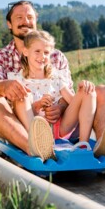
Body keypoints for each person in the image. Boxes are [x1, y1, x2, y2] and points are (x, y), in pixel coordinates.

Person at [0, 0, 105, 158]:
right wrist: (5, 85)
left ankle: (103, 144)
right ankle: (33, 146)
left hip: (62, 124)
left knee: (104, 91)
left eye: (29, 17)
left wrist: (59, 107)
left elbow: (70, 96)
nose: (25, 21)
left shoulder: (55, 56)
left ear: (36, 20)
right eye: (19, 17)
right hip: (23, 123)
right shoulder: (1, 57)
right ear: (9, 24)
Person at [10, 29, 97, 160]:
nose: (42, 56)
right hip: (34, 128)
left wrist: (83, 89)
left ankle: (83, 146)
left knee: (88, 92)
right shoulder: (18, 80)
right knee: (23, 97)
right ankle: (37, 144)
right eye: (37, 51)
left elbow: (74, 102)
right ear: (26, 51)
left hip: (59, 127)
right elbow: (17, 113)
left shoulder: (56, 77)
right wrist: (38, 105)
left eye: (46, 52)